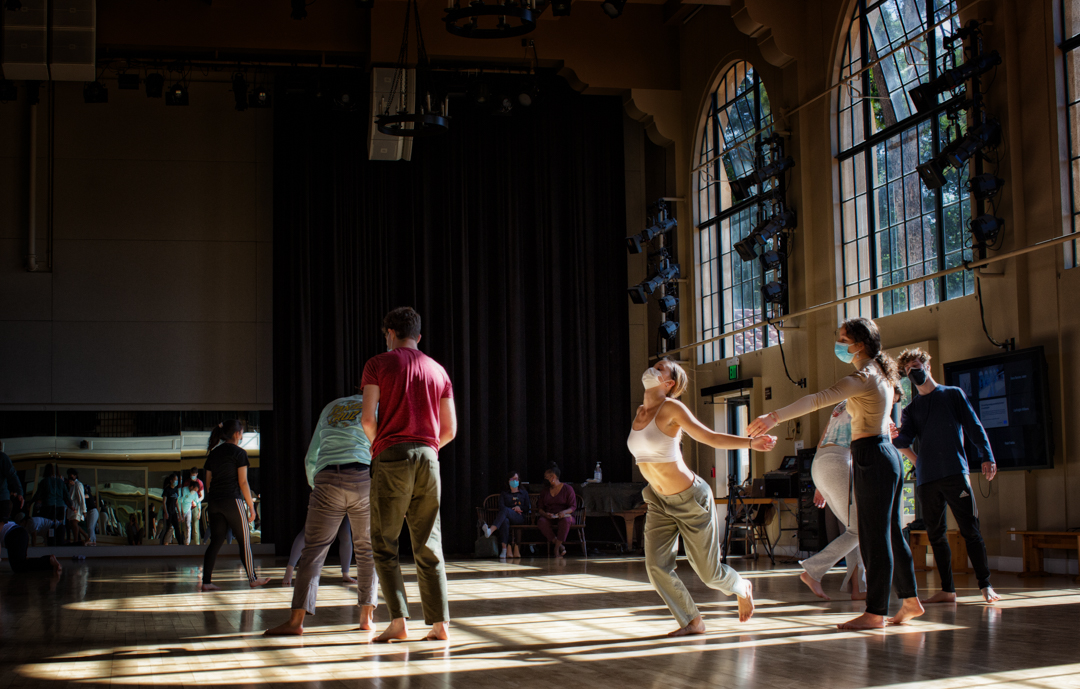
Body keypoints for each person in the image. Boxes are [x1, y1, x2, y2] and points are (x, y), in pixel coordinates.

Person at [749, 317, 923, 630]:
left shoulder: (865, 376)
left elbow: (817, 399)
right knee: (891, 533)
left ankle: (875, 612)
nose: (839, 343)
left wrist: (773, 416)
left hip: (872, 455)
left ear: (859, 345)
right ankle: (909, 601)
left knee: (874, 537)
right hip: (884, 455)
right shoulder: (883, 372)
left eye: (843, 338)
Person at [630, 358, 775, 636]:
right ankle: (692, 621)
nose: (653, 368)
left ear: (669, 383)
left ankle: (741, 586)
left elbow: (709, 437)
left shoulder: (672, 407)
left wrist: (749, 443)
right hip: (658, 500)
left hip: (690, 499)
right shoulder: (640, 411)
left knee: (709, 574)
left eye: (660, 368)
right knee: (656, 567)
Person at [361, 307, 456, 642]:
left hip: (391, 454)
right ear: (419, 335)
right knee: (429, 543)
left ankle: (399, 622)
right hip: (430, 458)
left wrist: (381, 448)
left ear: (389, 332)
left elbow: (368, 420)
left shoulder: (378, 364)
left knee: (385, 543)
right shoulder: (438, 371)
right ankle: (440, 625)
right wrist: (427, 451)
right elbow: (450, 429)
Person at [264, 392, 380, 636]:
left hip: (327, 475)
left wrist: (316, 485)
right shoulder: (377, 405)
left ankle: (296, 622)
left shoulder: (331, 406)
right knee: (367, 549)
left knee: (314, 550)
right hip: (362, 476)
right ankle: (366, 618)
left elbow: (312, 454)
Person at [893, 347, 1000, 604]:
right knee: (936, 534)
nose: (913, 372)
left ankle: (985, 585)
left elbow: (974, 425)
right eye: (908, 370)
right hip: (927, 480)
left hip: (955, 472)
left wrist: (987, 455)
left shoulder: (953, 394)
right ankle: (947, 590)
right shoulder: (911, 409)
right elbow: (903, 440)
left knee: (970, 530)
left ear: (927, 365)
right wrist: (899, 440)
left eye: (917, 366)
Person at [797, 387, 899, 601]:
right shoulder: (874, 404)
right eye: (893, 401)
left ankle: (858, 588)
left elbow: (824, 436)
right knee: (861, 529)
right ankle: (813, 570)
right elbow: (871, 444)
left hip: (821, 463)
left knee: (854, 530)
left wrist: (819, 485)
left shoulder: (844, 403)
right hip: (839, 462)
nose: (890, 406)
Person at [201, 420, 269, 590]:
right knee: (244, 541)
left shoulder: (213, 453)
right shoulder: (239, 453)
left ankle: (206, 582)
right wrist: (251, 507)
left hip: (214, 502)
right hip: (232, 500)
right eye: (242, 432)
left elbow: (208, 483)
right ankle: (252, 578)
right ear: (238, 434)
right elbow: (243, 482)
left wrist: (215, 497)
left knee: (215, 541)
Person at [282, 519, 355, 587]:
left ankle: (345, 574)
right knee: (308, 530)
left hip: (344, 506)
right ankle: (290, 568)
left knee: (346, 535)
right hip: (323, 506)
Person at [482, 471, 530, 559]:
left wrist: (519, 508)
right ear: (508, 481)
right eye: (512, 479)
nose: (514, 481)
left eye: (516, 479)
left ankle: (490, 531)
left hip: (519, 517)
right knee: (505, 520)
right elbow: (501, 506)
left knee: (505, 511)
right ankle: (504, 550)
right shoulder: (504, 494)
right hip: (506, 516)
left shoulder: (524, 493)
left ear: (519, 481)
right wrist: (511, 509)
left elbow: (527, 507)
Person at [536, 465, 576, 558]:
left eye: (546, 477)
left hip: (565, 516)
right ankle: (560, 545)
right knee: (541, 522)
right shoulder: (545, 491)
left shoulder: (567, 489)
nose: (545, 479)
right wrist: (546, 514)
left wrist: (564, 512)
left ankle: (556, 548)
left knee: (565, 522)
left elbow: (573, 507)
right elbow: (540, 508)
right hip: (550, 516)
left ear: (553, 477)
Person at [65, 469, 87, 545]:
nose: (70, 476)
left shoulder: (78, 484)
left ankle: (76, 541)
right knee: (73, 524)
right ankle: (86, 537)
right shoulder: (72, 486)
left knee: (74, 523)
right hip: (72, 508)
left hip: (76, 508)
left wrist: (84, 510)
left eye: (72, 475)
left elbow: (81, 498)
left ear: (75, 476)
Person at [0, 451, 23, 522]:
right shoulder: (2, 457)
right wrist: (19, 492)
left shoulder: (2, 457)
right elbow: (13, 476)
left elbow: (13, 476)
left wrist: (19, 492)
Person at [159, 473, 182, 545]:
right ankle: (161, 543)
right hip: (168, 511)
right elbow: (164, 502)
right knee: (166, 528)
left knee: (177, 528)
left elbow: (176, 502)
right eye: (175, 480)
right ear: (171, 481)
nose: (176, 481)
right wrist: (166, 512)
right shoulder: (167, 490)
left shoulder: (176, 490)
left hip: (173, 511)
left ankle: (181, 544)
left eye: (177, 480)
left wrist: (179, 513)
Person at [179, 480, 201, 546]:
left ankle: (187, 543)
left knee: (188, 526)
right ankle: (181, 541)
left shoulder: (195, 494)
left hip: (188, 509)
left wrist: (199, 512)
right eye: (194, 490)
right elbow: (180, 502)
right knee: (181, 527)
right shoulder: (184, 490)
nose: (195, 492)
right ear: (191, 487)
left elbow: (198, 502)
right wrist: (182, 514)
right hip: (181, 510)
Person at [188, 467, 205, 545]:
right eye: (191, 475)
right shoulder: (187, 482)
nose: (193, 476)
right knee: (187, 527)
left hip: (196, 507)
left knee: (195, 527)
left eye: (194, 475)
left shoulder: (200, 483)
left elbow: (202, 496)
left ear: (197, 474)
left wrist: (196, 501)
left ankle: (197, 544)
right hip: (187, 506)